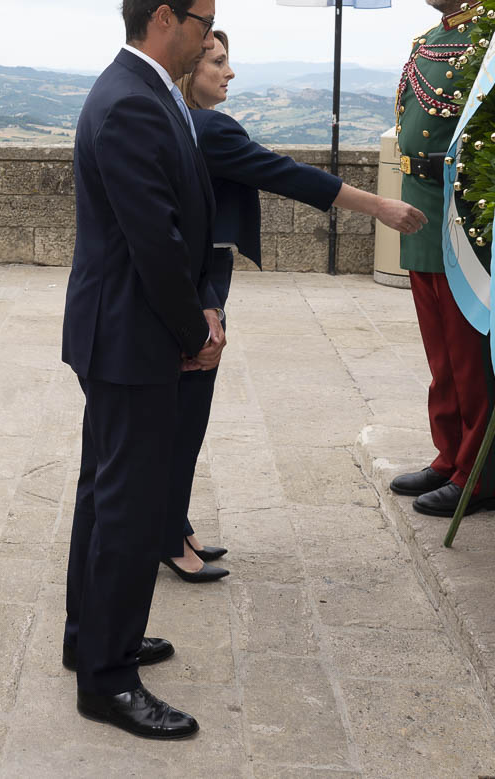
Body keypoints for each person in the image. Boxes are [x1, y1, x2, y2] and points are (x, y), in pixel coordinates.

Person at [165, 30, 425, 579]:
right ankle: (167, 534)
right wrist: (378, 204)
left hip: (194, 272)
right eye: (217, 62)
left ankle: (173, 524)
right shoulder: (209, 127)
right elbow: (288, 174)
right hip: (200, 277)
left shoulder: (182, 121)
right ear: (191, 71)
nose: (229, 72)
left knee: (181, 408)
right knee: (185, 413)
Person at [61, 0, 225, 740]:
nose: (207, 38)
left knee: (104, 491)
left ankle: (90, 637)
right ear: (164, 19)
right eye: (202, 23)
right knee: (126, 506)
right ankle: (108, 678)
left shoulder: (143, 93)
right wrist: (194, 333)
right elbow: (153, 243)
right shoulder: (131, 101)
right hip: (132, 334)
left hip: (122, 328)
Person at [386, 0, 495, 518]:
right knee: (441, 354)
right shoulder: (430, 39)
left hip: (461, 214)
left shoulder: (492, 41)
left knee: (471, 355)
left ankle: (481, 474)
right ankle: (448, 453)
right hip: (421, 212)